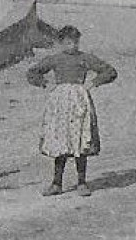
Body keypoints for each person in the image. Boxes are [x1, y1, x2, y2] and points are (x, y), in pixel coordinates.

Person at [26, 25, 118, 197]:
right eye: (68, 42)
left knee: (80, 140)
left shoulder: (85, 58)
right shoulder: (55, 59)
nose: (72, 46)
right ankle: (56, 183)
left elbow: (110, 71)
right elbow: (32, 72)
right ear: (61, 43)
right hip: (60, 103)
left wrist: (93, 83)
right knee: (61, 140)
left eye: (75, 42)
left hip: (79, 102)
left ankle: (82, 182)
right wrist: (45, 84)